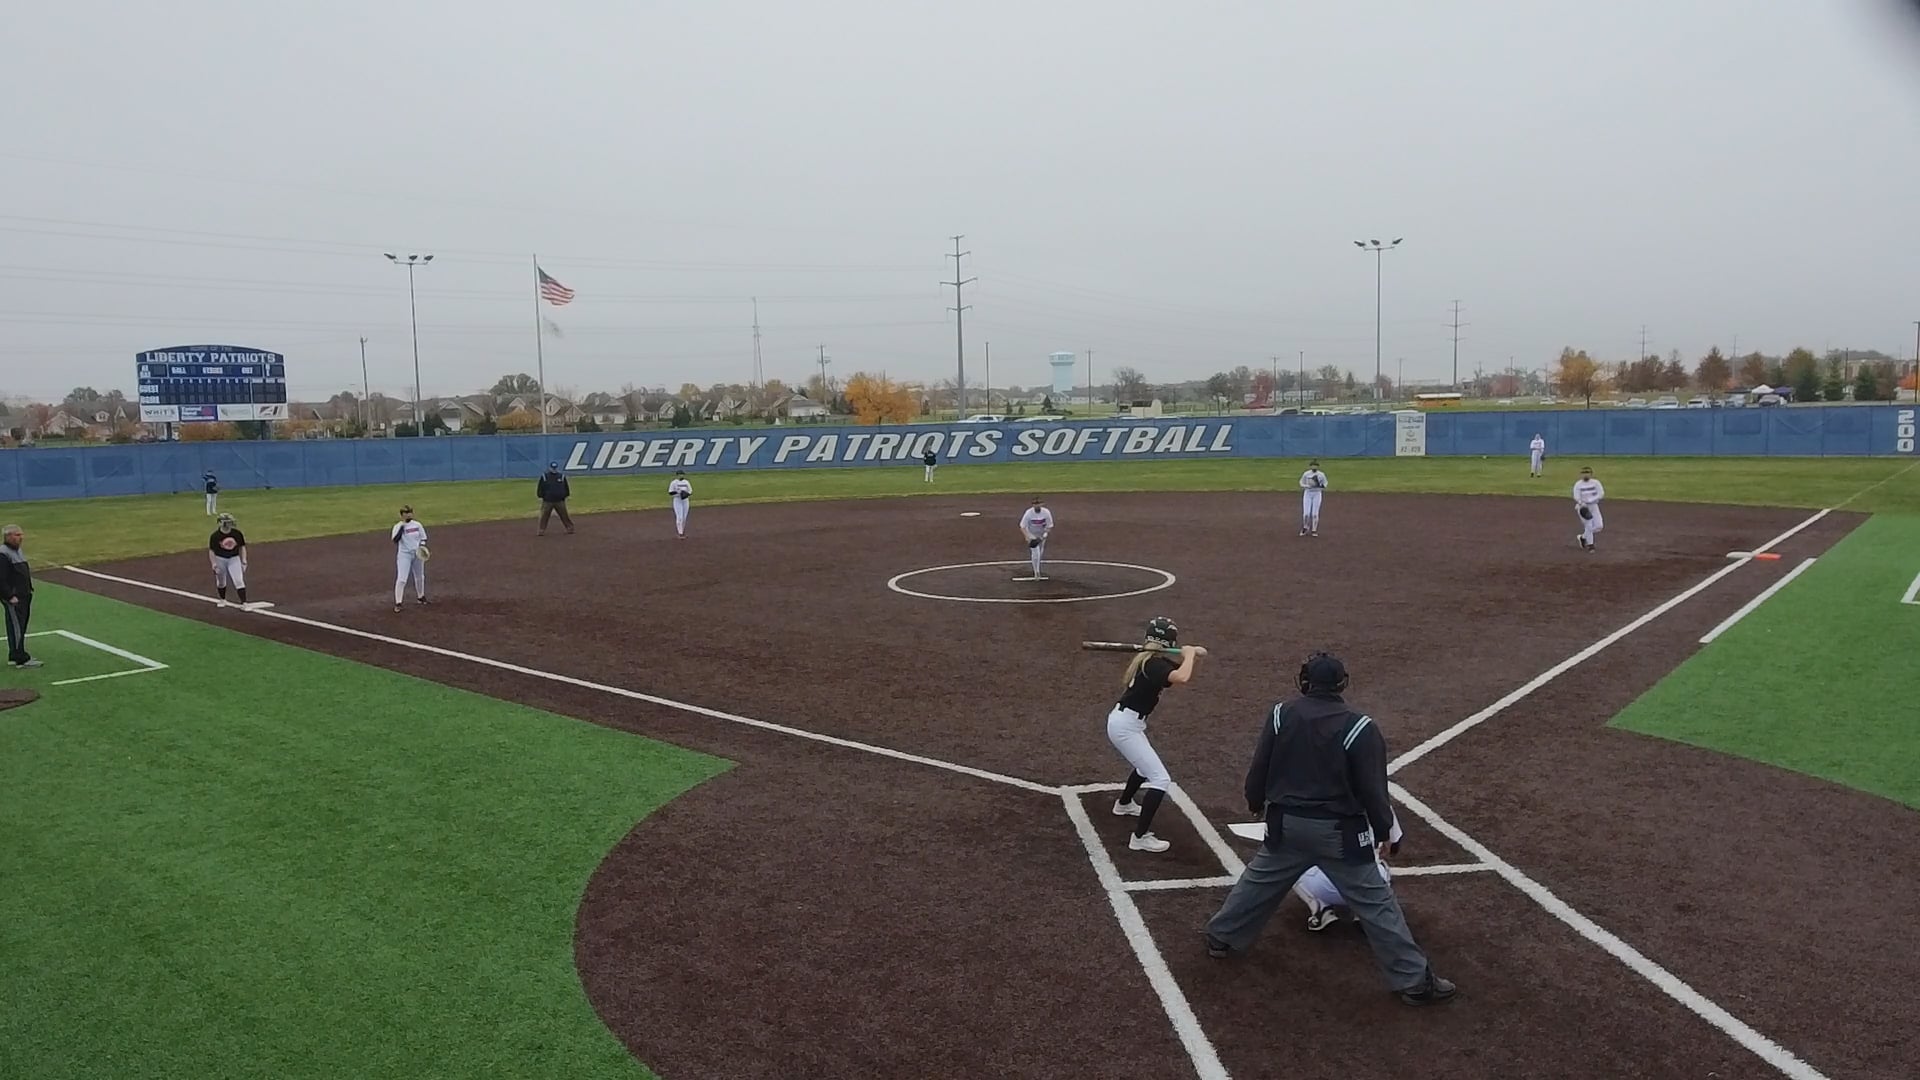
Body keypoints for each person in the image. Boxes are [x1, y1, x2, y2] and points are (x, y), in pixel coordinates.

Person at [1202, 652, 1455, 1006]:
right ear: (1341, 684)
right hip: (1339, 834)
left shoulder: (1281, 714)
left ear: (1305, 682)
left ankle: (1222, 936)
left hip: (1286, 824)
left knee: (1259, 880)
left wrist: (1255, 801)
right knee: (1376, 903)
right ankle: (1414, 981)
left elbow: (1260, 766)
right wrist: (1384, 829)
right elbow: (1373, 789)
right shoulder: (1360, 726)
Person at [1106, 617, 1206, 853]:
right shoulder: (1153, 665)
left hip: (1127, 723)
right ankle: (1139, 838)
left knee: (1144, 768)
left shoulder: (1150, 661)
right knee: (1160, 780)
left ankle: (1124, 804)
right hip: (1125, 727)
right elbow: (1182, 677)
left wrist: (1191, 655)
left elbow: (1178, 670)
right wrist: (1189, 654)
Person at [1295, 814, 1403, 931]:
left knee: (1293, 861)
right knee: (1381, 868)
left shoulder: (1305, 803)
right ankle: (1367, 909)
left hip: (1323, 887)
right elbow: (1394, 846)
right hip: (1368, 884)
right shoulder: (1378, 804)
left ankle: (1320, 907)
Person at [3, 524, 39, 669]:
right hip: (15, 597)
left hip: (23, 594)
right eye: (17, 535)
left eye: (21, 534)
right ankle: (21, 658)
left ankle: (14, 655)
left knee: (18, 626)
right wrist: (9, 596)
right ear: (8, 536)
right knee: (17, 627)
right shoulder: (3, 554)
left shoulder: (17, 551)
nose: (21, 537)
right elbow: (1, 578)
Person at [391, 505, 430, 612]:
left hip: (417, 554)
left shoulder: (417, 525)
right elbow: (395, 540)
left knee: (420, 576)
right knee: (402, 579)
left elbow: (423, 537)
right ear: (402, 515)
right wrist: (402, 528)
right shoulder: (398, 526)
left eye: (410, 512)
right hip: (405, 555)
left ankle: (420, 597)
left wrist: (421, 547)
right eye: (406, 513)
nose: (408, 514)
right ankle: (398, 602)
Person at [208, 512, 250, 609]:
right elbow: (212, 551)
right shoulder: (215, 536)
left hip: (234, 558)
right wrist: (214, 564)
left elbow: (242, 547)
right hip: (220, 559)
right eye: (227, 522)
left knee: (238, 580)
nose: (229, 524)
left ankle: (244, 602)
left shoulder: (237, 534)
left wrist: (244, 560)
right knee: (221, 581)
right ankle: (222, 599)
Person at [1018, 496, 1054, 580]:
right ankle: (1036, 572)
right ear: (1032, 505)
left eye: (1038, 504)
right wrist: (1027, 537)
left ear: (1042, 504)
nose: (1037, 505)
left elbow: (1049, 526)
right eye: (1035, 504)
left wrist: (1044, 535)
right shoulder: (1028, 513)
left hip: (1041, 534)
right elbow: (1022, 527)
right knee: (1035, 552)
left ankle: (1037, 567)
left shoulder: (1046, 512)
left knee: (1040, 552)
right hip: (1031, 533)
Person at [536, 461, 574, 536]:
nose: (554, 469)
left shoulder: (561, 476)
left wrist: (566, 495)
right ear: (550, 468)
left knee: (564, 515)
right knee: (544, 516)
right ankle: (541, 530)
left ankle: (570, 528)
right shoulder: (545, 476)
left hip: (559, 500)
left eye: (555, 468)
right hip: (548, 501)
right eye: (552, 468)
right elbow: (540, 487)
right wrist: (540, 496)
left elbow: (566, 487)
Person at [1573, 466, 1605, 551]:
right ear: (1581, 474)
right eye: (1583, 473)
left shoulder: (1596, 483)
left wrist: (1591, 500)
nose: (1585, 475)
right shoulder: (1578, 484)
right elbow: (1576, 496)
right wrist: (1581, 503)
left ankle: (1583, 537)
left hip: (1594, 506)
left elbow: (1601, 494)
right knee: (1589, 525)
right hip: (1583, 507)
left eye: (1587, 473)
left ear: (1591, 474)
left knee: (1599, 526)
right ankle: (1591, 546)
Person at [1299, 460, 1327, 537]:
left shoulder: (1321, 475)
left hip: (1317, 494)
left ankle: (1314, 530)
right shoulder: (1306, 474)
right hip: (1307, 493)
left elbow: (1325, 483)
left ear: (1318, 467)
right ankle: (1305, 527)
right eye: (1313, 465)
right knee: (1306, 514)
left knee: (1315, 514)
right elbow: (1301, 483)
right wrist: (1307, 486)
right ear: (1310, 466)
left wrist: (1321, 486)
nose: (1314, 467)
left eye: (1316, 466)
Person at [668, 470, 692, 538]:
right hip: (677, 500)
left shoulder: (686, 482)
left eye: (682, 474)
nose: (681, 475)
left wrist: (685, 494)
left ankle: (682, 531)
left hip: (685, 500)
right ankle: (680, 533)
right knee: (680, 517)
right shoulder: (673, 482)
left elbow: (690, 491)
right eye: (680, 474)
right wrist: (679, 493)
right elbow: (670, 492)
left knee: (684, 517)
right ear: (677, 475)